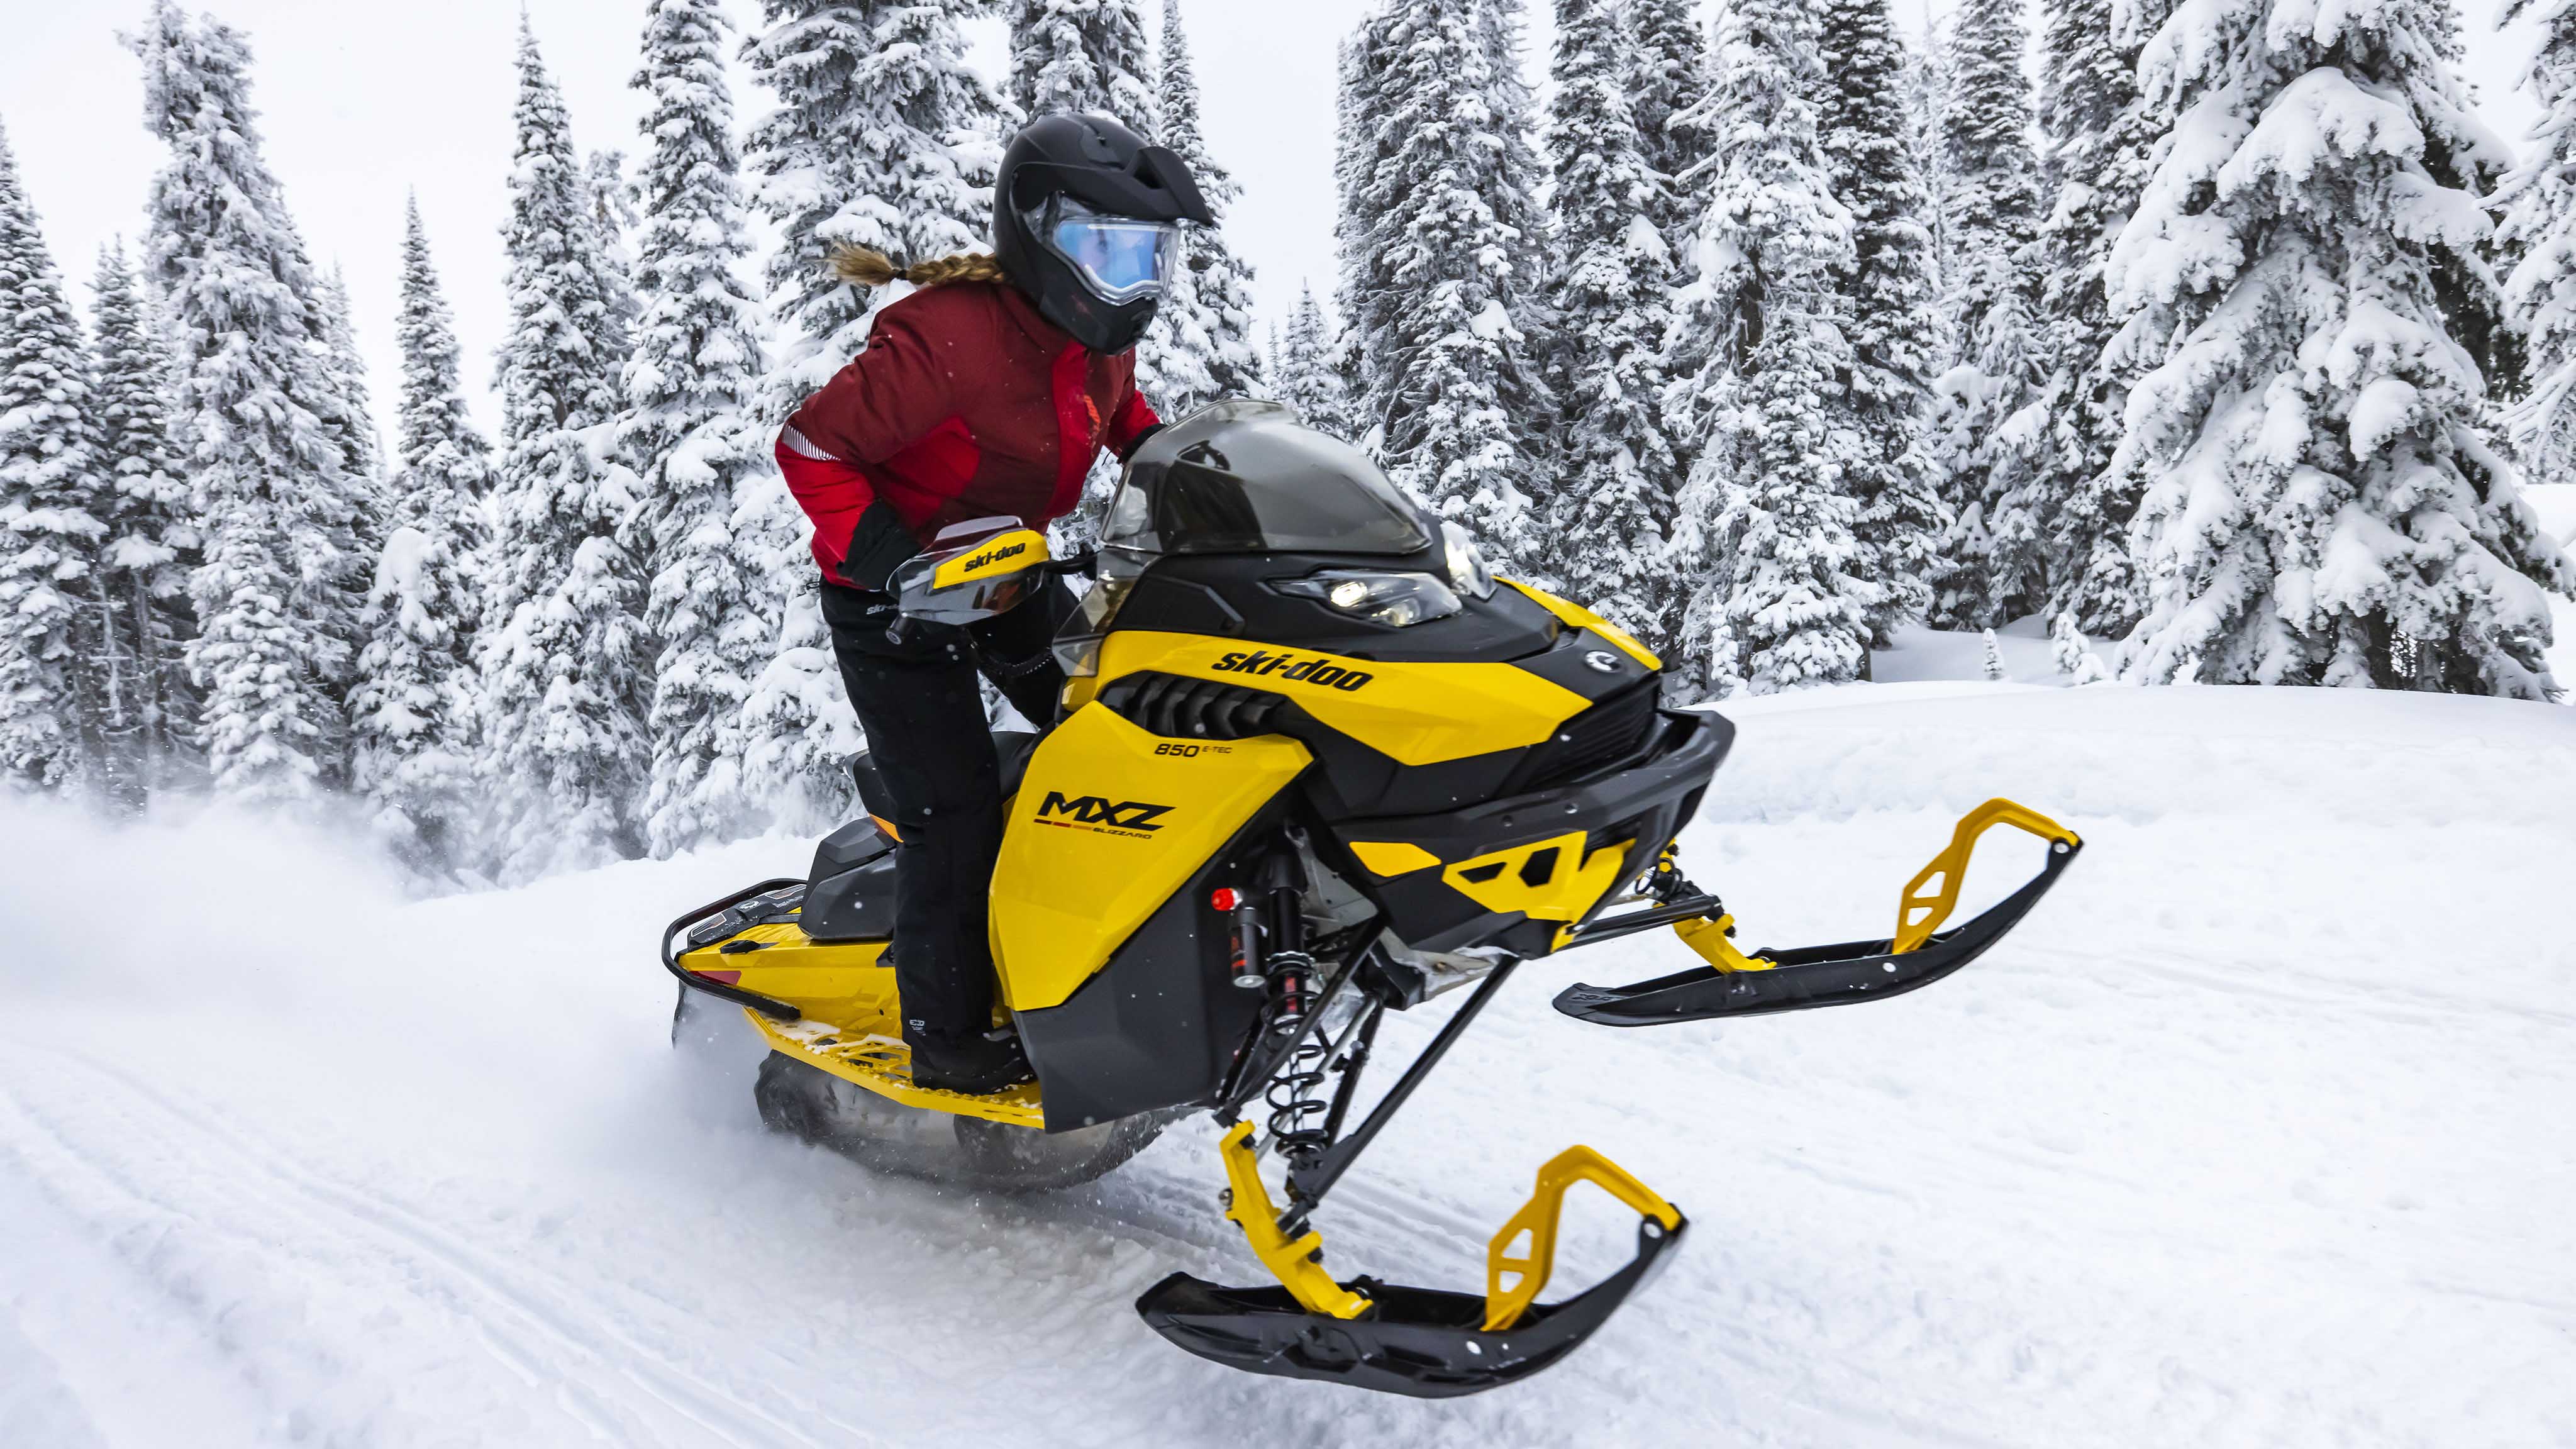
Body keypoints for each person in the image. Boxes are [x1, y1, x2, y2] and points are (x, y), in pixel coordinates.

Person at [771, 114, 1213, 1095]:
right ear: (1040, 234)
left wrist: (1207, 485)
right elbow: (809, 447)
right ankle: (948, 1038)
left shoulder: (1093, 338)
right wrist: (895, 565)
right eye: (1109, 249)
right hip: (894, 605)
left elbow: (1128, 427)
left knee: (1123, 732)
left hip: (1006, 575)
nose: (1133, 278)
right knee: (955, 812)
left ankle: (1085, 956)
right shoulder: (943, 342)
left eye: (1150, 254)